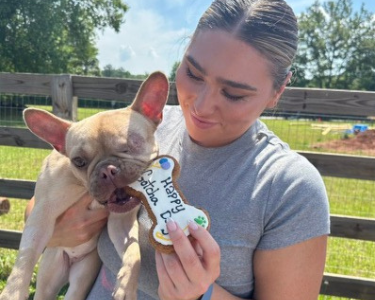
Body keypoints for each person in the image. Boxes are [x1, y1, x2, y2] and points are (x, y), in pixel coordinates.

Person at [26, 0, 330, 299]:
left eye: (234, 93)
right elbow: (43, 202)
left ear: (278, 91)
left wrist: (205, 294)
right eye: (194, 74)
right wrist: (56, 230)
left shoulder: (290, 188)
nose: (200, 106)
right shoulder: (140, 130)